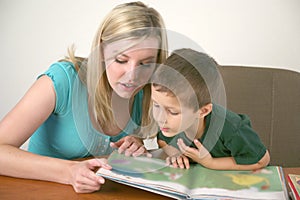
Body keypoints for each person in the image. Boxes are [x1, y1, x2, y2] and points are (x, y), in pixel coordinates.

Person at [0, 1, 168, 193]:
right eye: (121, 59)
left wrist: (134, 147)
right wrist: (69, 172)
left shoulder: (142, 93)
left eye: (145, 63)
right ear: (102, 50)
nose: (133, 76)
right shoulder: (63, 81)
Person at [150, 48, 270, 171]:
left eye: (173, 112)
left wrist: (210, 163)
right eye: (156, 105)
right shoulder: (169, 124)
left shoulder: (231, 127)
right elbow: (162, 140)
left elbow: (262, 160)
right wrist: (174, 153)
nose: (160, 118)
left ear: (203, 111)